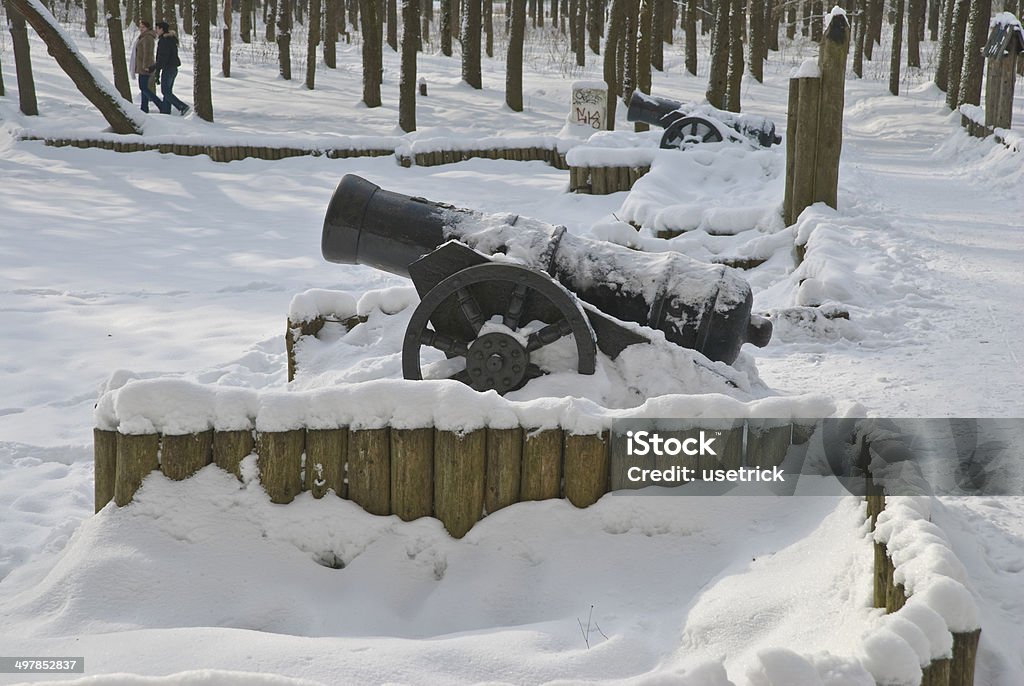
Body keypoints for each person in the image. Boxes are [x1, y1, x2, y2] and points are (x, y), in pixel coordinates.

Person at [150, 21, 190, 116]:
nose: (156, 30)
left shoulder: (164, 41)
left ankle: (182, 107)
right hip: (172, 68)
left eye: (157, 28)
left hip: (168, 68)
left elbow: (163, 57)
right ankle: (165, 111)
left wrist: (154, 68)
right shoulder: (170, 39)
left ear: (161, 29)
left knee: (165, 91)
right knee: (167, 90)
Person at [128, 20, 163, 113]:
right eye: (140, 27)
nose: (141, 29)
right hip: (141, 66)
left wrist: (146, 66)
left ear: (147, 28)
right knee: (144, 88)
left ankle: (160, 104)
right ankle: (144, 107)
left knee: (143, 87)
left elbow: (148, 53)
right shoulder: (143, 37)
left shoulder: (148, 38)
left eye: (143, 27)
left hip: (145, 67)